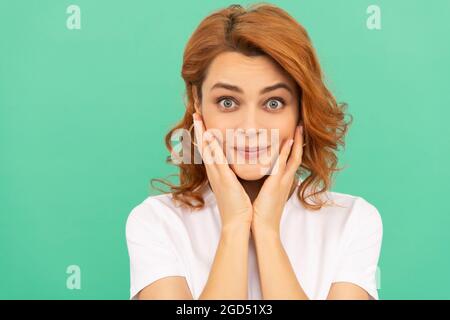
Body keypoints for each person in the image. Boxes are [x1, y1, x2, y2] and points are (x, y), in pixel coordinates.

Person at [125, 3, 383, 300]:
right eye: (227, 102)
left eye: (273, 103)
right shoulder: (157, 222)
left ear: (301, 109)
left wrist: (267, 232)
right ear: (197, 102)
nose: (250, 128)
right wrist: (235, 226)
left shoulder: (352, 221)